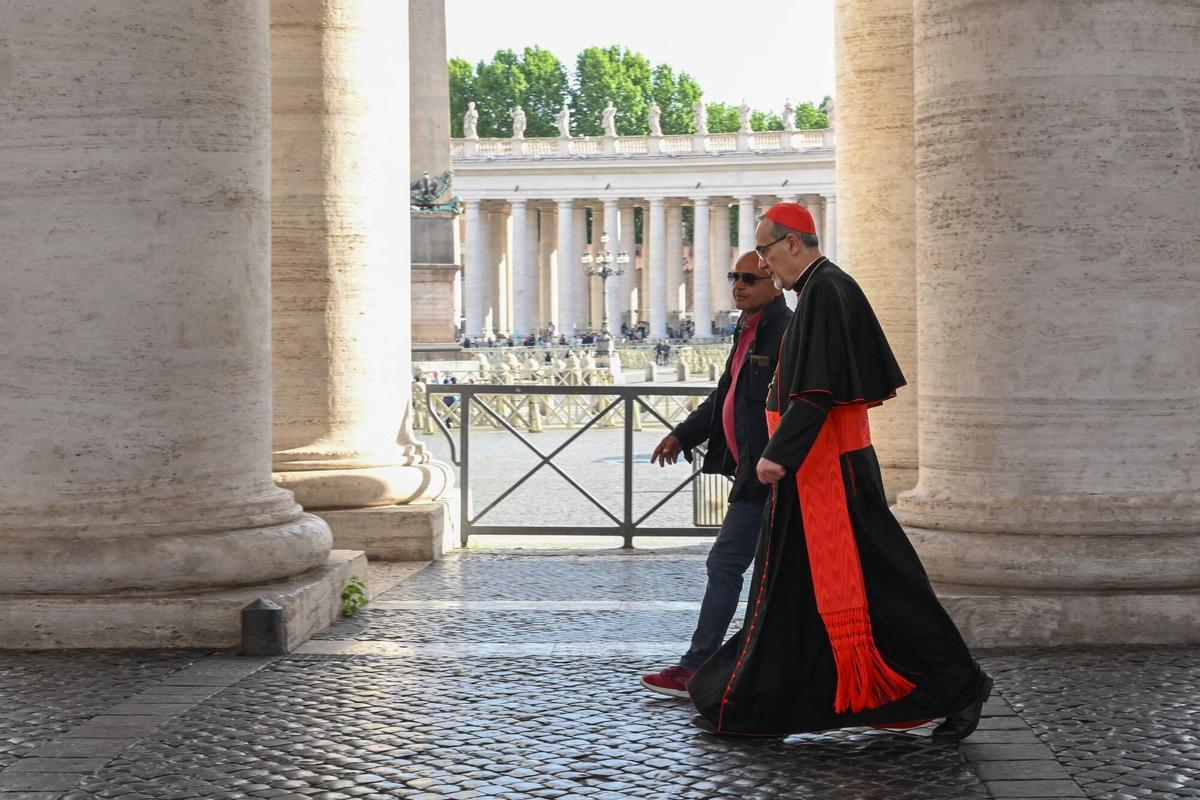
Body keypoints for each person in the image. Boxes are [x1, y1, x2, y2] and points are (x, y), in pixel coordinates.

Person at [687, 202, 992, 741]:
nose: (762, 262)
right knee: (793, 591)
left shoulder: (826, 290)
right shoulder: (820, 290)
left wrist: (778, 453)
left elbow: (817, 390)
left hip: (831, 472)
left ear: (794, 243)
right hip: (821, 470)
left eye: (764, 250)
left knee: (889, 586)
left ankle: (959, 687)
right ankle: (764, 699)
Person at [640, 252, 793, 698]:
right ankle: (740, 664)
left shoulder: (782, 331)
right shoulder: (748, 331)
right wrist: (684, 435)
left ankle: (701, 665)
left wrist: (774, 459)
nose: (738, 285)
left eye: (749, 278)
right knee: (759, 571)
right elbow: (724, 394)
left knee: (727, 564)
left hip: (767, 475)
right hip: (753, 470)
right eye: (734, 276)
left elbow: (795, 405)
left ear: (774, 284)